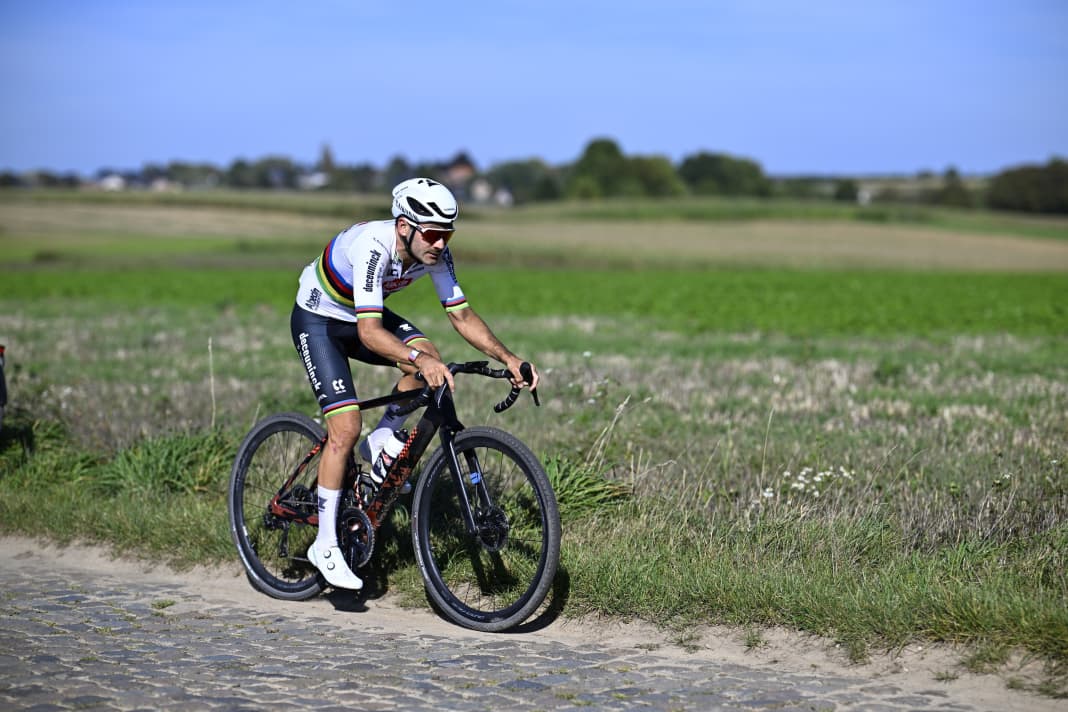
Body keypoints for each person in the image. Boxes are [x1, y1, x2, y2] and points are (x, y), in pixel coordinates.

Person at [290, 177, 540, 590]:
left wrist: (510, 358)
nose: (441, 244)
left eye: (448, 234)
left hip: (360, 314)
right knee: (346, 428)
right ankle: (324, 544)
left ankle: (384, 436)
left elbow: (460, 315)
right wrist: (417, 360)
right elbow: (370, 333)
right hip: (320, 318)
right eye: (433, 234)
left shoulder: (436, 253)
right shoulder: (374, 246)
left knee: (429, 355)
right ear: (404, 226)